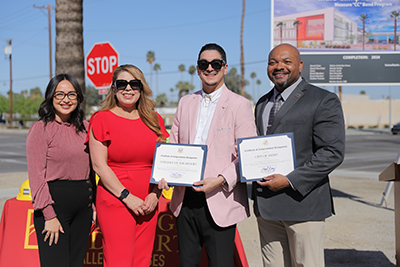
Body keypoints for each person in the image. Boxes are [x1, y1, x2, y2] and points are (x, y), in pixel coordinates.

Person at [158, 43, 257, 267]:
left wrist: (221, 180)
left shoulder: (240, 105)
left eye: (215, 64)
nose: (210, 68)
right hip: (184, 200)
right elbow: (174, 144)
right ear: (197, 68)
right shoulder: (185, 102)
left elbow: (247, 154)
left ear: (225, 67)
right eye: (204, 64)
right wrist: (164, 173)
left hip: (220, 197)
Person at [253, 43, 345, 267]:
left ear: (300, 65)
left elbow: (332, 152)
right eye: (273, 62)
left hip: (303, 204)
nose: (279, 67)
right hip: (267, 207)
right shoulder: (262, 103)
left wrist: (290, 180)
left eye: (286, 61)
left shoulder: (322, 99)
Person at [87, 64, 169, 267]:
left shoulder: (154, 120)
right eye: (122, 84)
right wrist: (127, 197)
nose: (128, 89)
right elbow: (99, 166)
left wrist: (154, 196)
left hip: (148, 201)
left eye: (134, 84)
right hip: (116, 199)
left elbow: (162, 163)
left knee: (142, 261)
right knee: (119, 261)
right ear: (114, 89)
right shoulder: (101, 119)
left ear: (141, 88)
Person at [26, 73, 94, 267]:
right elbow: (37, 177)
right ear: (51, 97)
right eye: (60, 94)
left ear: (78, 98)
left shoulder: (87, 129)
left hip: (83, 208)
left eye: (72, 94)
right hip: (54, 208)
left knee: (76, 264)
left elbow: (92, 171)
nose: (66, 99)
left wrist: (93, 206)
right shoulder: (41, 129)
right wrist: (50, 215)